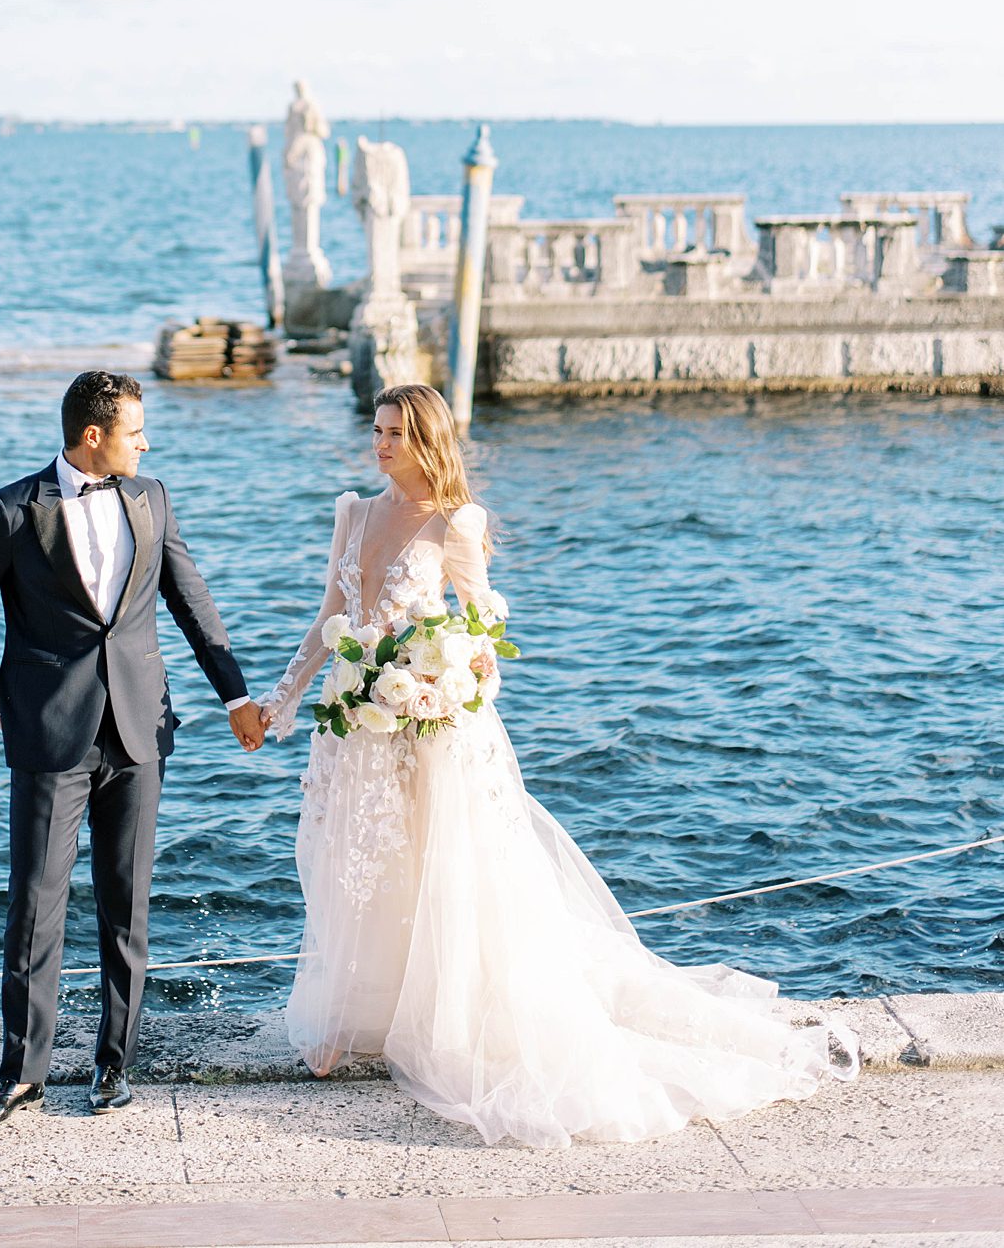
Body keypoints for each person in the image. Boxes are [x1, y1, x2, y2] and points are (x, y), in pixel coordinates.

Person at [260, 382, 856, 1147]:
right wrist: (278, 704)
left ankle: (444, 1018)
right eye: (376, 430)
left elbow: (481, 644)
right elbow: (327, 622)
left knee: (442, 871)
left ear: (427, 441)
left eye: (394, 434)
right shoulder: (353, 511)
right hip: (357, 725)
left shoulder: (457, 522)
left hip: (432, 726)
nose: (378, 444)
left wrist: (445, 682)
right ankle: (349, 1014)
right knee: (356, 861)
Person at [0, 369, 263, 1127]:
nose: (145, 443)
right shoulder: (12, 511)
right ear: (95, 435)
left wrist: (236, 694)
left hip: (141, 728)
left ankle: (114, 1064)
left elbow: (189, 599)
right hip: (50, 736)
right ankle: (20, 1075)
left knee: (128, 908)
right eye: (135, 430)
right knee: (35, 906)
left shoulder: (150, 497)